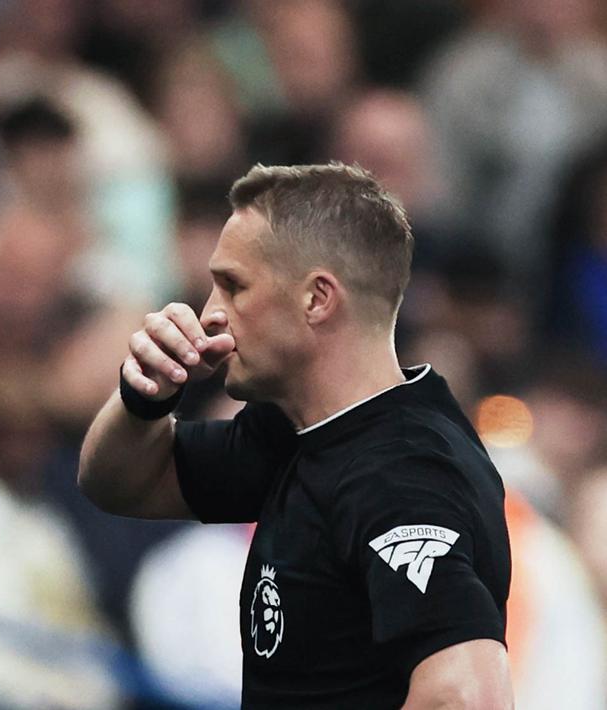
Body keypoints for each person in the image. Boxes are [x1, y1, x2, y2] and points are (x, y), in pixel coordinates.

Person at [78, 163, 512, 708]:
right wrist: (145, 399)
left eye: (233, 286)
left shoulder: (400, 471)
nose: (210, 313)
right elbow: (120, 484)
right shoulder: (298, 435)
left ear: (317, 299)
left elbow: (468, 695)